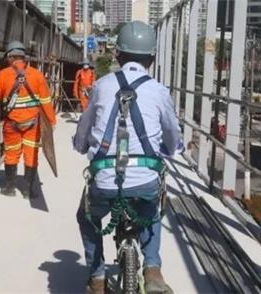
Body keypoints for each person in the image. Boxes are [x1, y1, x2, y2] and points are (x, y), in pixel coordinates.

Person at [72, 21, 183, 294]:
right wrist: (170, 149)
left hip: (106, 180)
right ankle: (153, 270)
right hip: (144, 178)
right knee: (151, 210)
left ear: (117, 55)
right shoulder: (159, 91)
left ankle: (98, 280)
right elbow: (173, 136)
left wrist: (80, 144)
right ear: (152, 59)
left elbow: (83, 132)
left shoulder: (100, 86)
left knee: (87, 218)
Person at [0, 40, 56, 198]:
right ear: (24, 58)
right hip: (33, 124)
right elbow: (46, 102)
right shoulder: (37, 76)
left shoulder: (3, 75)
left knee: (11, 153)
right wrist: (51, 122)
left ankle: (9, 189)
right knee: (31, 154)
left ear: (10, 57)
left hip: (12, 124)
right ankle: (28, 191)